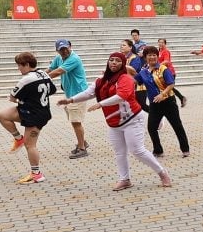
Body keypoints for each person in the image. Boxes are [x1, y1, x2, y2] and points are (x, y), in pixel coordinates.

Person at [60, 52, 171, 190]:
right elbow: (89, 92)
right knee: (119, 152)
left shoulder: (126, 78)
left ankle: (162, 173)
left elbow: (121, 96)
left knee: (137, 150)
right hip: (114, 123)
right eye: (111, 60)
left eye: (117, 61)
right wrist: (71, 99)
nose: (113, 62)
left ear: (123, 64)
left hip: (133, 119)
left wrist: (101, 104)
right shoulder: (101, 80)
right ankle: (125, 179)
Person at [0, 52, 55, 184]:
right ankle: (18, 139)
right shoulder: (43, 73)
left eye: (19, 65)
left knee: (30, 145)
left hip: (35, 115)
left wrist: (26, 98)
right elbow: (52, 90)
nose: (18, 68)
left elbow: (12, 98)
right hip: (36, 110)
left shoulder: (26, 79)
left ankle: (36, 174)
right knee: (2, 115)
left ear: (27, 65)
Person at [137, 45, 189, 158]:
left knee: (177, 126)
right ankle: (158, 150)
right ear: (145, 57)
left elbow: (171, 84)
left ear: (157, 56)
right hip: (154, 104)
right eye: (149, 55)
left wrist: (162, 94)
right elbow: (136, 81)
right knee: (151, 127)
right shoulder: (144, 72)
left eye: (154, 55)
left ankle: (185, 149)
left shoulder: (163, 69)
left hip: (168, 102)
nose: (152, 57)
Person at [48, 39, 90, 159]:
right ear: (57, 51)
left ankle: (82, 148)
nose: (64, 51)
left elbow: (59, 71)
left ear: (70, 46)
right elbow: (50, 69)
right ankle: (83, 142)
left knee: (76, 122)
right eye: (61, 49)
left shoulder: (74, 58)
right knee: (74, 120)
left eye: (66, 48)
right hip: (69, 94)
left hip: (78, 94)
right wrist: (39, 74)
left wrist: (40, 78)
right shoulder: (59, 58)